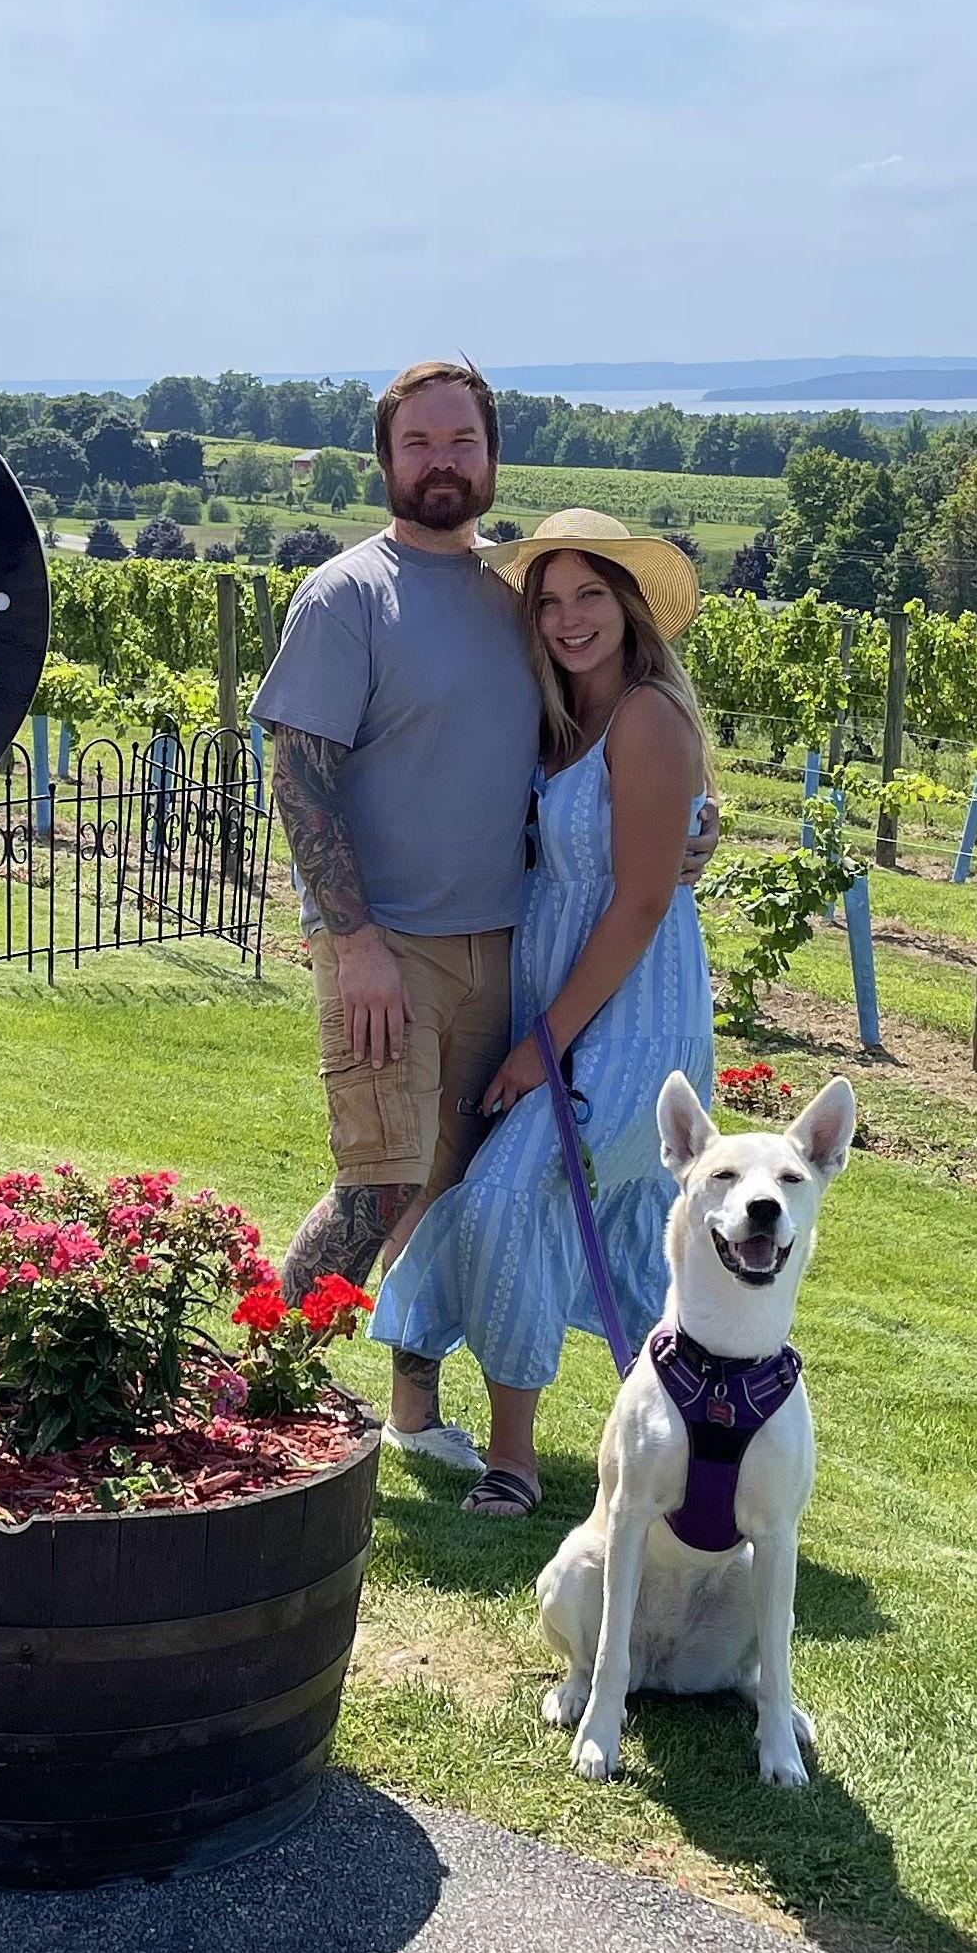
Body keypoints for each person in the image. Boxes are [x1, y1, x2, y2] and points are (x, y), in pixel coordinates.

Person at [250, 363, 715, 1495]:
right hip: (386, 948)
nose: (442, 461)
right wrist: (354, 939)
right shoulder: (347, 596)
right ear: (386, 459)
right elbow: (298, 776)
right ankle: (253, 1393)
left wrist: (691, 827)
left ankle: (413, 1413)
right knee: (379, 1183)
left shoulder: (518, 605)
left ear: (493, 454)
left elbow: (592, 761)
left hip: (506, 951)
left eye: (462, 439)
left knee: (449, 1193)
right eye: (418, 442)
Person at [364, 510, 718, 1514]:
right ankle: (689, 1441)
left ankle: (513, 1461)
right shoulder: (560, 716)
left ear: (629, 605)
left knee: (511, 1192)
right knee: (613, 1220)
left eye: (590, 594)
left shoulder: (646, 716)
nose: (569, 618)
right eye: (550, 600)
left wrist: (541, 1044)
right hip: (562, 993)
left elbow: (640, 900)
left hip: (632, 1013)